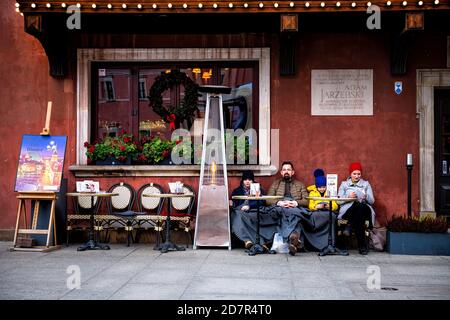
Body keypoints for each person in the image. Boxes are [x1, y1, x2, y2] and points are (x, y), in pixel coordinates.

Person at [265, 161, 310, 256]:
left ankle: (292, 238)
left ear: (292, 172)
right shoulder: (275, 184)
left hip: (295, 207)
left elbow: (307, 201)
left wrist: (295, 203)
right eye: (284, 170)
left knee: (296, 213)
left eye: (288, 170)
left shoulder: (300, 184)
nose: (286, 171)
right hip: (280, 207)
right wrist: (279, 202)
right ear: (281, 172)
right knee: (284, 212)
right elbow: (268, 199)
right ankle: (293, 237)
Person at [230, 170, 278, 253]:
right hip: (240, 210)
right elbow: (234, 202)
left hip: (254, 210)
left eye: (250, 180)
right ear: (243, 180)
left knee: (243, 217)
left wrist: (250, 205)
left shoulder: (258, 188)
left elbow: (262, 201)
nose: (247, 182)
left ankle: (249, 241)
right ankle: (256, 242)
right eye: (245, 180)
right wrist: (231, 203)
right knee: (237, 215)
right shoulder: (237, 190)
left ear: (253, 180)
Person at [338, 162, 375, 255]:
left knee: (360, 205)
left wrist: (366, 196)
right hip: (349, 210)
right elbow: (338, 201)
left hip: (364, 209)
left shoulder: (366, 184)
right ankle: (362, 246)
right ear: (350, 174)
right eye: (354, 173)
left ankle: (349, 226)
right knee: (357, 207)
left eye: (359, 174)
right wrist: (348, 196)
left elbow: (372, 201)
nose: (357, 176)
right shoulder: (344, 184)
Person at [306, 168, 339, 251]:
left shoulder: (330, 191)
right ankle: (317, 244)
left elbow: (335, 205)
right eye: (320, 187)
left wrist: (329, 206)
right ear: (317, 187)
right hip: (317, 212)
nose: (322, 189)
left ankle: (330, 244)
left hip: (328, 212)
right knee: (313, 217)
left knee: (333, 217)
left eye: (324, 187)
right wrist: (316, 206)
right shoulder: (312, 193)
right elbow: (310, 205)